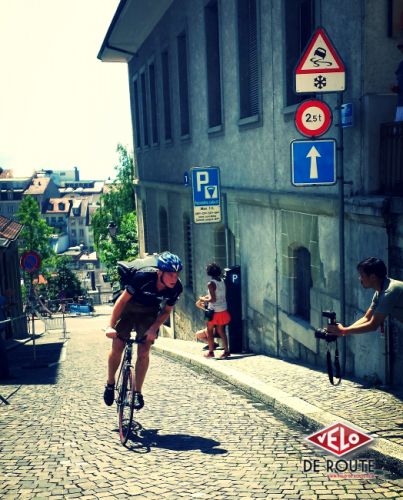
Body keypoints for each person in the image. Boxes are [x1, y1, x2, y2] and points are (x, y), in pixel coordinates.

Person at [103, 252, 183, 410]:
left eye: (176, 274)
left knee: (144, 350)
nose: (174, 279)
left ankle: (137, 392)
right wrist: (110, 326)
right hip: (128, 308)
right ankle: (110, 383)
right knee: (118, 345)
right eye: (170, 275)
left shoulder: (176, 288)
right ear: (160, 273)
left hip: (148, 312)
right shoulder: (143, 277)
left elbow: (166, 311)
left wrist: (154, 328)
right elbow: (122, 301)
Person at [327, 257, 403, 337]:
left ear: (373, 277)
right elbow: (367, 318)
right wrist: (344, 330)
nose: (360, 279)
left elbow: (373, 325)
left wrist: (344, 331)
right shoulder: (379, 293)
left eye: (362, 275)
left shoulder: (389, 292)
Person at [200, 262, 231, 358]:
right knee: (221, 331)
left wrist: (203, 299)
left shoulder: (211, 283)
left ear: (209, 272)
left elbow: (213, 299)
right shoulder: (222, 281)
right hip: (223, 309)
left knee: (209, 331)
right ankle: (226, 351)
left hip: (213, 311)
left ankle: (211, 352)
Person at [391, 39, 403, 122]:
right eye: (401, 48)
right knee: (398, 130)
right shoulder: (401, 64)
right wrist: (396, 88)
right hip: (401, 103)